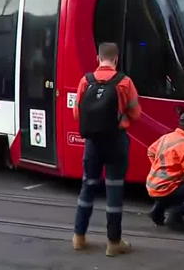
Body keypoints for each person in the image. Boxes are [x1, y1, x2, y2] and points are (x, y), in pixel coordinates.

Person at [72, 42, 141, 257]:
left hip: (92, 142)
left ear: (97, 58)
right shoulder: (125, 82)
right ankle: (113, 242)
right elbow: (136, 114)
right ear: (117, 59)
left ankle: (79, 237)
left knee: (88, 187)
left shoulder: (86, 81)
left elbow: (77, 114)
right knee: (114, 189)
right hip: (116, 141)